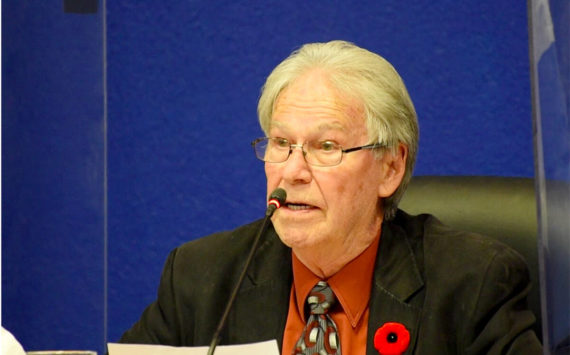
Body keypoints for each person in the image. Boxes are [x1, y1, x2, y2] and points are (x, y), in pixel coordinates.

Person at [119, 40, 542, 354]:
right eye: (281, 143)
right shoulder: (201, 279)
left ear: (390, 168)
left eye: (326, 147)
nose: (293, 171)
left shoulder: (473, 285)